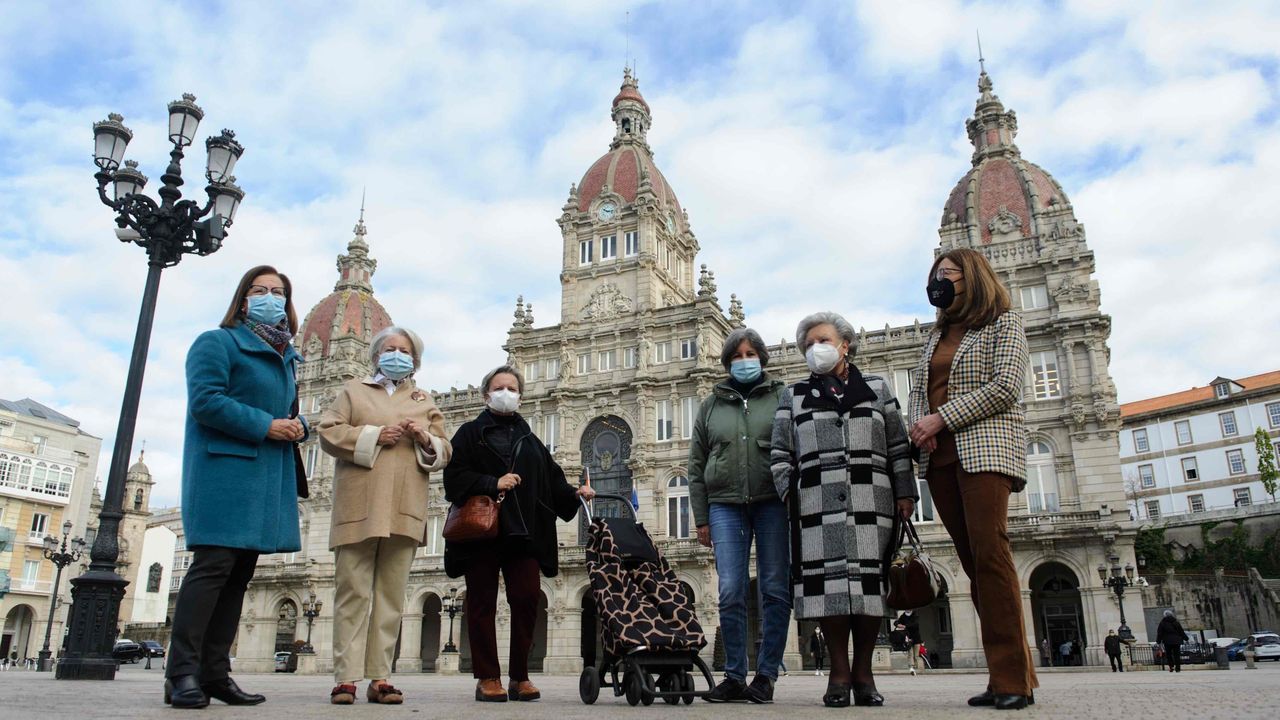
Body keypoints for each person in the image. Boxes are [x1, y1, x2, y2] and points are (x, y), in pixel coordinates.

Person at [166, 265, 307, 709]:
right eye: (260, 290)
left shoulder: (286, 355)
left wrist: (298, 425)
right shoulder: (218, 342)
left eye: (279, 292)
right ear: (242, 299)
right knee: (211, 570)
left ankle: (215, 674)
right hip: (224, 474)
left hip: (265, 475)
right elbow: (205, 401)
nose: (271, 297)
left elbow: (287, 410)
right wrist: (267, 425)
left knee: (238, 577)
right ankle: (181, 674)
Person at [908, 249, 1039, 710]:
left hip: (984, 451)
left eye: (947, 273)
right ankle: (1011, 673)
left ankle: (1011, 681)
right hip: (940, 459)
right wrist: (917, 425)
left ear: (973, 277)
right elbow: (917, 390)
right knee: (973, 563)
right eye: (934, 275)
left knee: (992, 558)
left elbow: (1005, 386)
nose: (938, 281)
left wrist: (939, 419)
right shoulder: (937, 333)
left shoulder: (1004, 322)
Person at [771, 312, 917, 708]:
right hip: (815, 506)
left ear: (844, 344)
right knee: (828, 591)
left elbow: (899, 447)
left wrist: (906, 495)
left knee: (870, 591)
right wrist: (792, 494)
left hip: (872, 500)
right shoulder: (794, 395)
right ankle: (838, 672)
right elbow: (781, 454)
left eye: (821, 340)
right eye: (807, 344)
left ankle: (864, 674)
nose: (814, 349)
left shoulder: (877, 388)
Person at [443, 365, 595, 702]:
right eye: (500, 388)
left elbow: (551, 480)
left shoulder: (530, 440)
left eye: (512, 388)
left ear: (521, 397)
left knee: (526, 599)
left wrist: (573, 494)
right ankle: (488, 677)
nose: (506, 393)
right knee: (481, 603)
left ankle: (520, 676)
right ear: (486, 395)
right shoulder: (468, 434)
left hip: (522, 532)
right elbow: (453, 480)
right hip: (481, 532)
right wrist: (491, 483)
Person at [319, 326, 453, 705]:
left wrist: (425, 439)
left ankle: (380, 677)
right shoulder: (353, 392)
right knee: (352, 593)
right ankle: (346, 677)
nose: (398, 354)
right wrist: (374, 436)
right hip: (358, 505)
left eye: (405, 350)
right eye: (390, 348)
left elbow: (445, 451)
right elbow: (328, 432)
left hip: (404, 507)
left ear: (416, 359)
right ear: (376, 355)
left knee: (392, 596)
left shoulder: (424, 400)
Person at [688, 328, 789, 704]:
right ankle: (733, 675)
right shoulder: (711, 404)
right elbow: (696, 463)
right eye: (736, 356)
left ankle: (765, 675)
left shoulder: (782, 395)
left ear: (762, 358)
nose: (744, 360)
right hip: (724, 505)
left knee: (775, 588)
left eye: (750, 354)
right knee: (729, 590)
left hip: (772, 503)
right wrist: (701, 517)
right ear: (727, 362)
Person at [896, 611, 922, 675]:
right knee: (910, 653)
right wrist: (898, 624)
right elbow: (896, 622)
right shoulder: (903, 616)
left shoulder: (915, 615)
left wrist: (905, 626)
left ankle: (917, 668)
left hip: (916, 638)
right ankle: (911, 668)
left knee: (916, 655)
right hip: (907, 637)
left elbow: (915, 624)